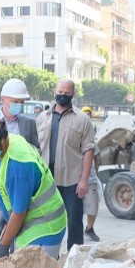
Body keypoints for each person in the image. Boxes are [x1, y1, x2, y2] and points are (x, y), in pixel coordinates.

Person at [0, 112, 67, 258]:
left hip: (44, 227)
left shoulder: (18, 165)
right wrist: (6, 223)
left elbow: (19, 213)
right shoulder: (4, 146)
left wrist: (4, 245)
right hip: (30, 222)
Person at [0, 78, 39, 256]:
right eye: (15, 101)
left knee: (17, 229)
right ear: (3, 99)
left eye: (21, 102)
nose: (18, 105)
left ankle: (14, 267)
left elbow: (36, 150)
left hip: (18, 185)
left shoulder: (28, 123)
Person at [36, 79, 96, 251]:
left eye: (66, 93)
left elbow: (89, 150)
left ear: (73, 95)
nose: (62, 96)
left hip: (72, 182)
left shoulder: (83, 120)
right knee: (44, 222)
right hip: (46, 182)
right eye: (60, 92)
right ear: (55, 92)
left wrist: (84, 180)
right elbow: (35, 148)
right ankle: (46, 257)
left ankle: (74, 260)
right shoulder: (42, 118)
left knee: (74, 224)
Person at [79, 106, 101, 242]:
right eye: (84, 114)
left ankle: (89, 228)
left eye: (89, 114)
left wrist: (95, 172)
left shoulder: (91, 139)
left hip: (90, 178)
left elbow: (96, 156)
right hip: (73, 177)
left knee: (93, 205)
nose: (87, 117)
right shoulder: (74, 137)